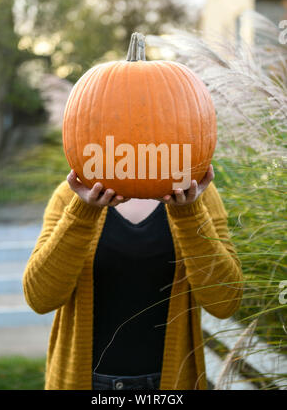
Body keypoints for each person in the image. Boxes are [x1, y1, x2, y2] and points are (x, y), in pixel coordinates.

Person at [22, 164, 243, 390]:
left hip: (169, 385)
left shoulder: (195, 193)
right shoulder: (73, 193)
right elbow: (40, 299)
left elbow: (225, 302)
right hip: (86, 382)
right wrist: (83, 210)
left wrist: (189, 211)